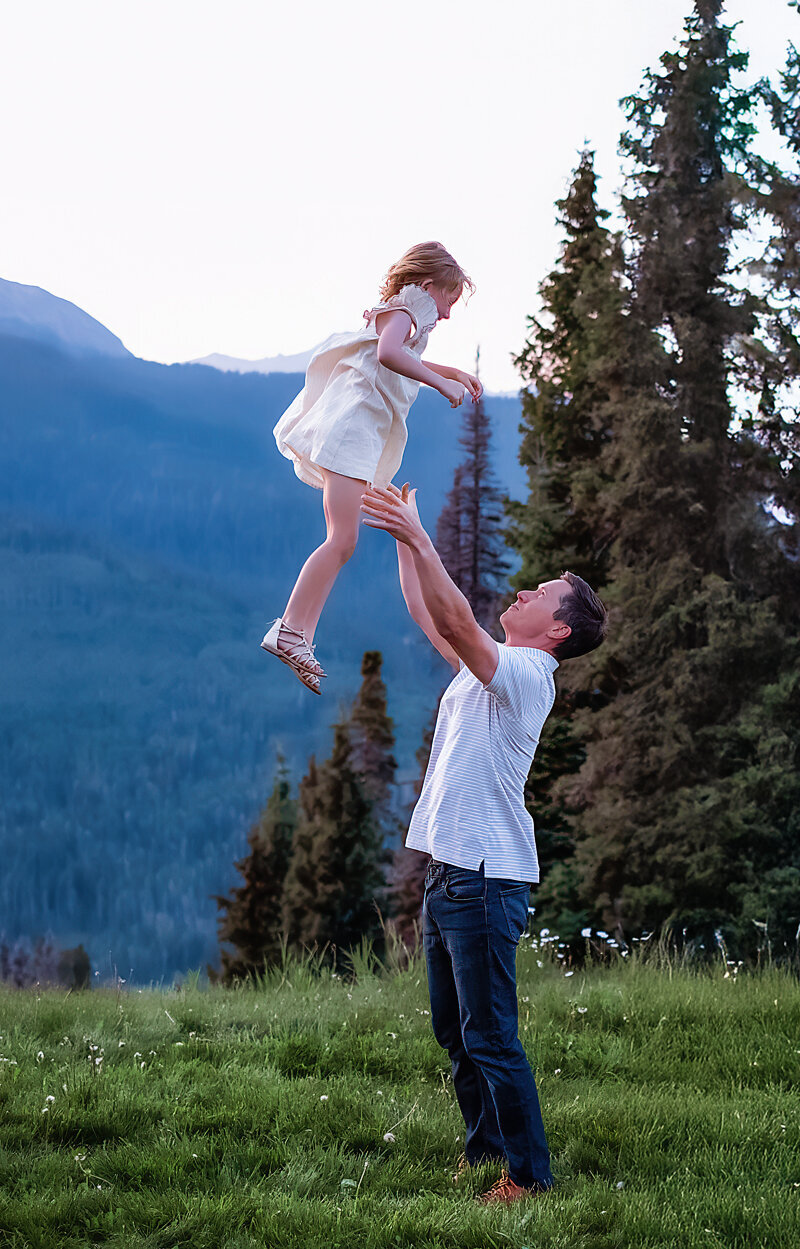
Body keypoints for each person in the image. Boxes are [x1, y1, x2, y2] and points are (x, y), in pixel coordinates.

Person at [360, 481, 608, 1206]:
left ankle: (528, 1178)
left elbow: (460, 622)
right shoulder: (494, 666)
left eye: (541, 593)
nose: (525, 591)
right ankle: (486, 1151)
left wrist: (421, 537)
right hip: (450, 873)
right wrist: (405, 540)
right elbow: (431, 615)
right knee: (455, 1030)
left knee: (491, 1035)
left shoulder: (529, 675)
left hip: (485, 878)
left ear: (556, 629)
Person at [262, 241, 482, 694]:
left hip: (356, 438)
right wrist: (440, 383)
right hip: (350, 435)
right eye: (449, 299)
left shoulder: (402, 314)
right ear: (428, 285)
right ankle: (291, 631)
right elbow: (387, 354)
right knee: (341, 539)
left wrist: (452, 371)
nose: (446, 313)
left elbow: (401, 354)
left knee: (349, 537)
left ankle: (297, 635)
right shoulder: (405, 310)